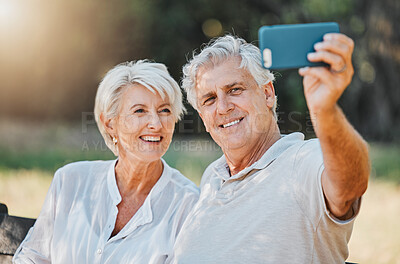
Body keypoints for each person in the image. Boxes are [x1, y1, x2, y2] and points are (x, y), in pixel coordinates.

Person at [170, 33, 370, 263]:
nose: (223, 108)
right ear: (203, 117)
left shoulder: (302, 161)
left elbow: (350, 184)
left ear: (267, 94)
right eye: (209, 99)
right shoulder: (212, 177)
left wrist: (326, 110)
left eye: (235, 89)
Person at [13, 60, 199, 264]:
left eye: (164, 110)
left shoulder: (188, 204)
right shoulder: (69, 181)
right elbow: (32, 257)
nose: (156, 124)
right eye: (140, 111)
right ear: (110, 124)